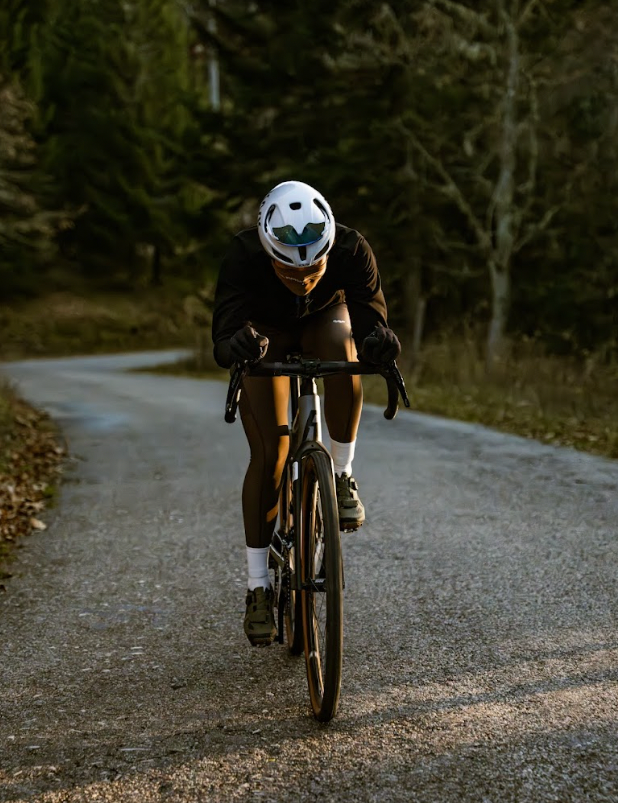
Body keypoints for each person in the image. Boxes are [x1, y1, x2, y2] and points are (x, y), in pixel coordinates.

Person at [212, 180, 401, 646]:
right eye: (288, 270)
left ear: (329, 244)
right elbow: (222, 341)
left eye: (314, 266)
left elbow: (373, 320)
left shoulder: (353, 249)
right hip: (266, 330)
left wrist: (380, 342)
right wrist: (236, 343)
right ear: (267, 249)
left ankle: (342, 472)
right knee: (272, 454)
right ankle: (258, 587)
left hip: (324, 320)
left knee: (344, 348)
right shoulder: (242, 256)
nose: (303, 278)